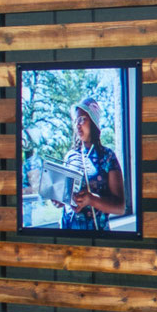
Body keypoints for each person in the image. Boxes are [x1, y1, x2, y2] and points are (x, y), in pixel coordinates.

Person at [58, 95, 127, 231]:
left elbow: (120, 207)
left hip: (97, 235)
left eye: (82, 119)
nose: (77, 125)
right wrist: (58, 199)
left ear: (93, 122)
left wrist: (91, 200)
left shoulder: (108, 157)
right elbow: (64, 194)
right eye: (75, 121)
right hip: (68, 233)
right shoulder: (70, 157)